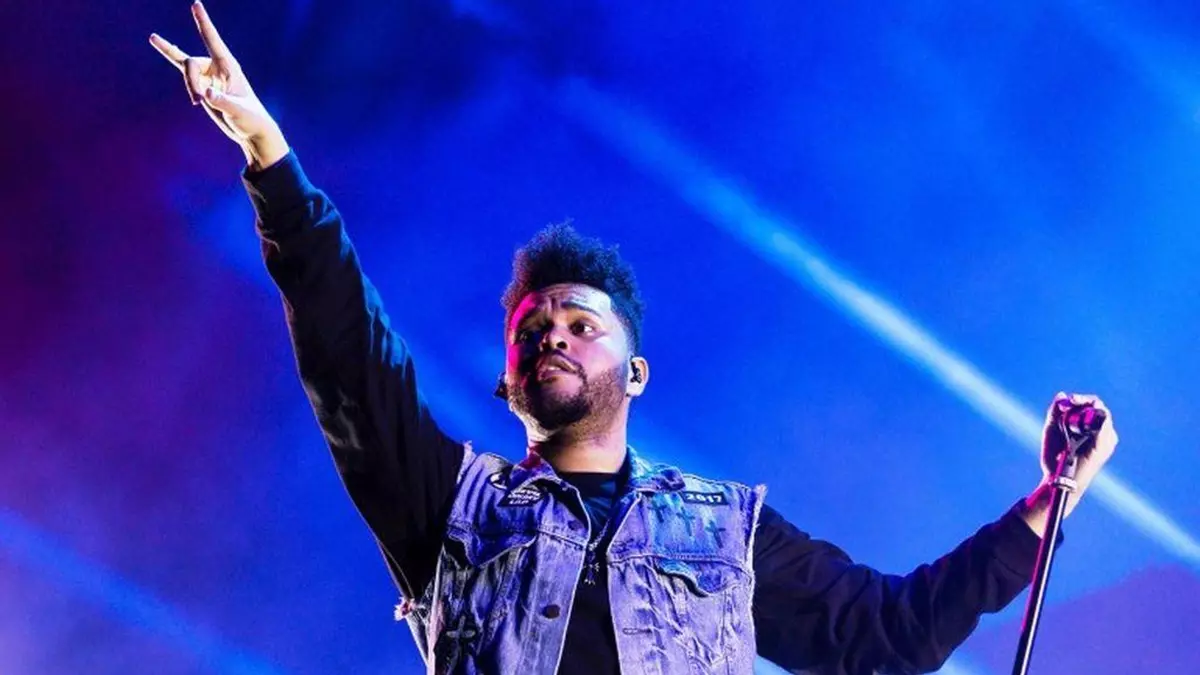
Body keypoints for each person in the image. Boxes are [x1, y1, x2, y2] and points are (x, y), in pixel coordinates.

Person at [149, 3, 1120, 673]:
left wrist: (1052, 495)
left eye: (583, 323)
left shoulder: (727, 532)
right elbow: (349, 360)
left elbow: (886, 633)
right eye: (534, 329)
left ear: (638, 371)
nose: (555, 337)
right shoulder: (452, 508)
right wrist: (269, 155)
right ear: (507, 380)